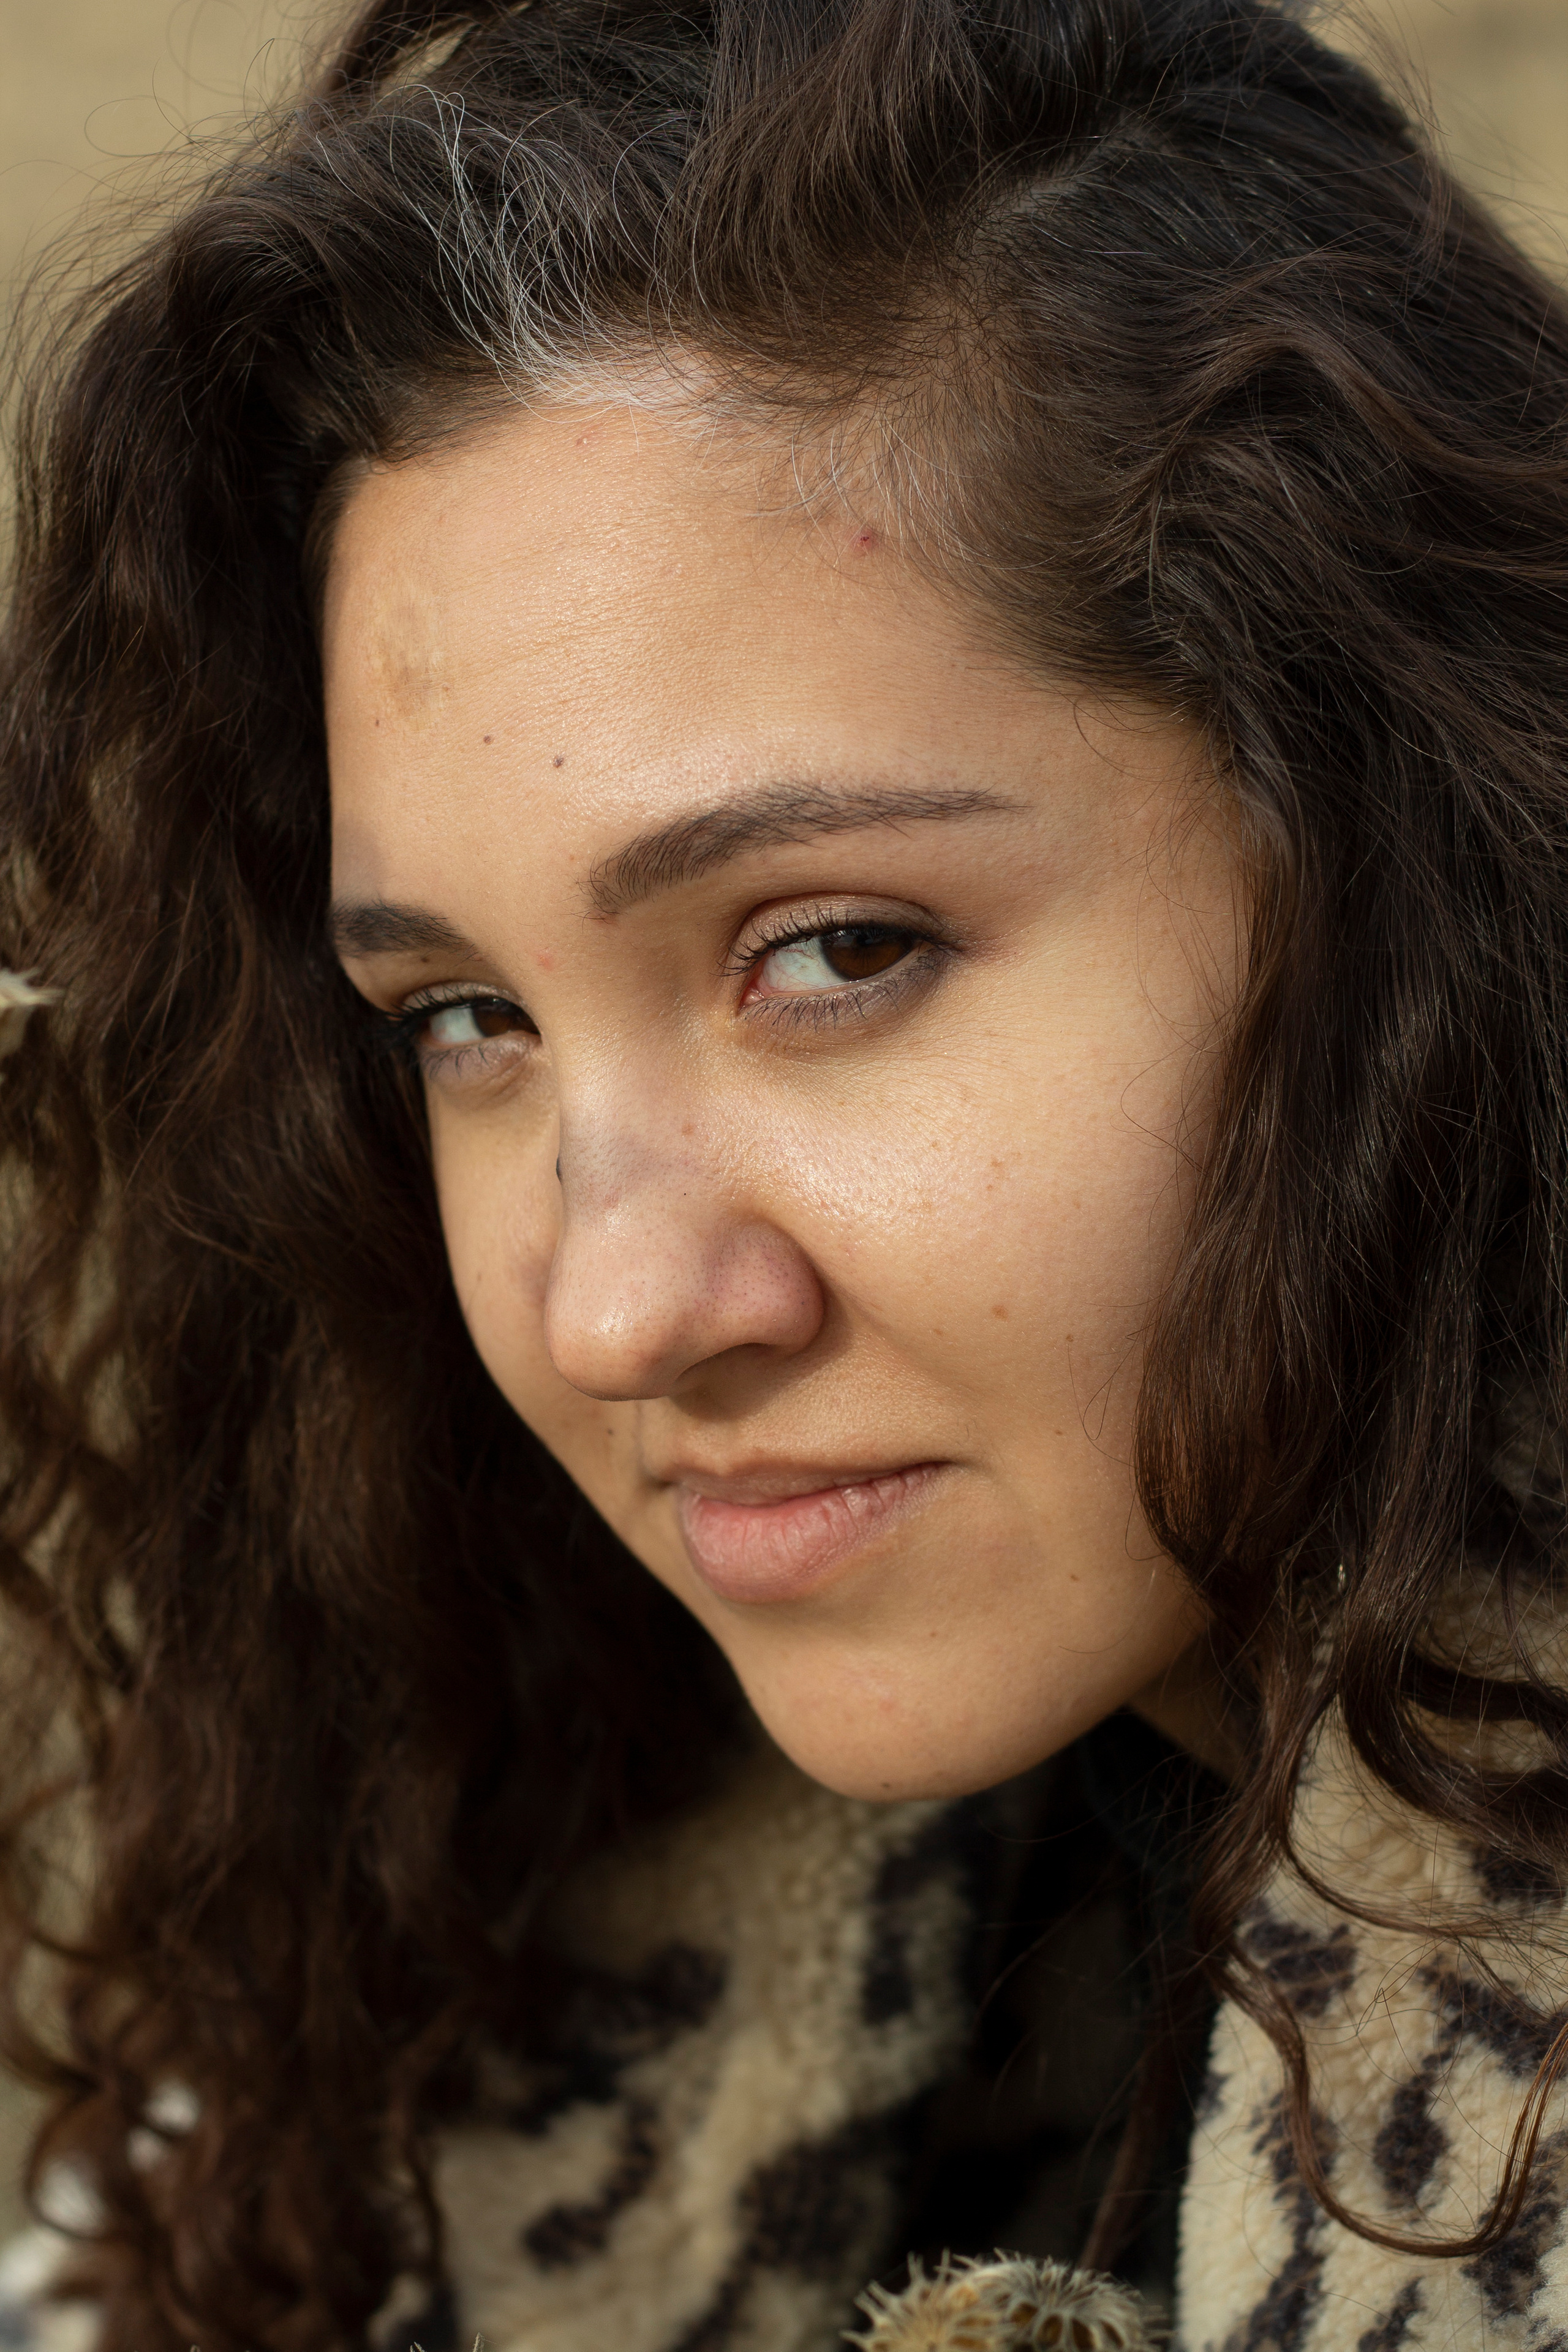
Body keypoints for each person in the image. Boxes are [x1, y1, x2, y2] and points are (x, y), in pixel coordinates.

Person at [2, 0, 1567, 2344]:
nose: (612, 1307)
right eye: (468, 1022)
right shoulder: (406, 2068)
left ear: (1420, 866)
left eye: (834, 951)